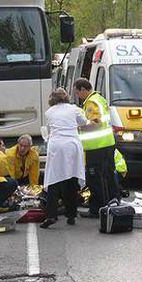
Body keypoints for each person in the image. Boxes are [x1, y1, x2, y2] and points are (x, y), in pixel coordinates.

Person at [40, 88, 90, 228]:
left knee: (53, 180)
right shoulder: (74, 109)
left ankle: (51, 215)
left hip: (56, 144)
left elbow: (50, 128)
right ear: (66, 97)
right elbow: (84, 122)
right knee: (71, 179)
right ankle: (71, 214)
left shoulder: (49, 112)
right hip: (71, 144)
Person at [73, 78, 119, 218]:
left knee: (95, 178)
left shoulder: (92, 103)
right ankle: (113, 202)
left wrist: (77, 127)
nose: (77, 96)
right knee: (108, 175)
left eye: (77, 93)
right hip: (106, 143)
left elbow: (96, 123)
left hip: (97, 146)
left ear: (83, 89)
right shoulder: (99, 98)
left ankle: (97, 208)